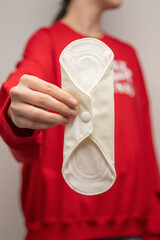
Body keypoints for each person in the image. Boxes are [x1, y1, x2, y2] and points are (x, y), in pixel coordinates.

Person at [0, 0, 160, 239]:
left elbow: (145, 142)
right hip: (62, 227)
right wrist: (14, 112)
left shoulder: (127, 54)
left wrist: (154, 221)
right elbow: (24, 79)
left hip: (132, 225)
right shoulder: (47, 42)